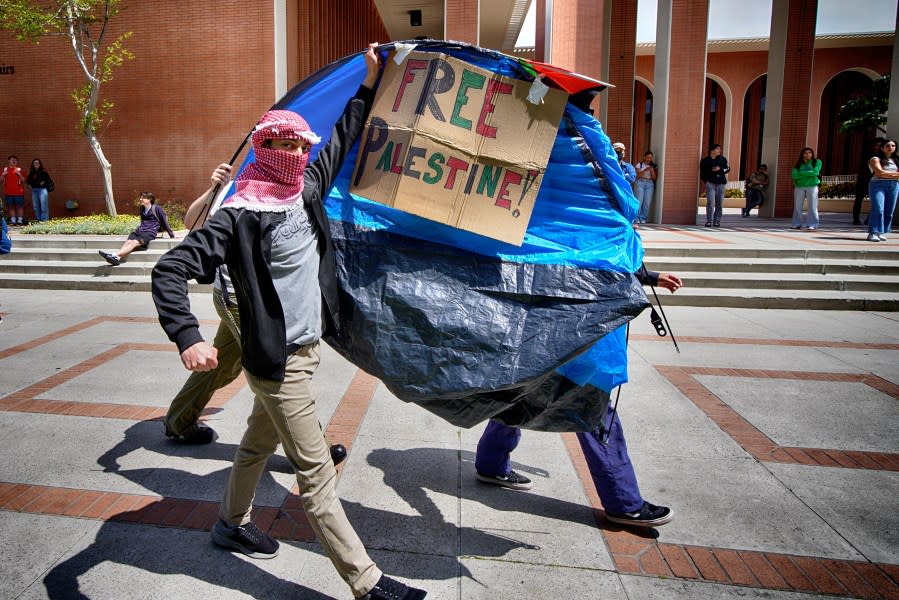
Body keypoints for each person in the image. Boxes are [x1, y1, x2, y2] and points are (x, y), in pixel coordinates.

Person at [151, 44, 426, 600]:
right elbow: (170, 268)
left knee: (255, 445)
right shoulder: (238, 216)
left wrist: (370, 81)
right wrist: (189, 337)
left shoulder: (305, 191)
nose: (289, 150)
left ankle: (230, 524)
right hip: (279, 365)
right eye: (275, 141)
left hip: (303, 349)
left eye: (297, 142)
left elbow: (346, 132)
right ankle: (367, 583)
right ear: (259, 146)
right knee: (316, 476)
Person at [163, 163, 348, 465]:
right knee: (277, 367)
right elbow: (191, 223)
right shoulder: (239, 188)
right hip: (238, 298)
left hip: (263, 299)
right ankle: (311, 448)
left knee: (223, 365)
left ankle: (179, 421)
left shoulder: (288, 190)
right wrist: (213, 189)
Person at [475, 268, 683, 528]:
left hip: (539, 320)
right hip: (578, 324)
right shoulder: (596, 227)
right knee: (591, 407)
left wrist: (647, 276)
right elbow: (600, 255)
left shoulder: (538, 226)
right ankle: (624, 504)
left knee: (523, 395)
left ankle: (491, 463)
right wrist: (645, 275)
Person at [99, 191, 176, 266]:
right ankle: (117, 258)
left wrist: (171, 235)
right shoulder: (142, 208)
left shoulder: (157, 208)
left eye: (143, 198)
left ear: (149, 199)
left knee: (134, 242)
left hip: (149, 233)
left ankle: (114, 255)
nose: (140, 199)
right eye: (141, 197)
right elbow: (142, 221)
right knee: (128, 242)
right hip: (139, 231)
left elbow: (164, 221)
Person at [866, 138, 899, 242]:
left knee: (889, 211)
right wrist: (895, 175)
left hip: (894, 185)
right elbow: (880, 173)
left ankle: (881, 232)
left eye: (893, 146)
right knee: (878, 209)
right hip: (878, 185)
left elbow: (883, 173)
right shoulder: (875, 159)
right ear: (882, 148)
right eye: (888, 146)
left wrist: (887, 174)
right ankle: (873, 232)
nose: (890, 148)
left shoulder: (896, 160)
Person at [854, 137, 885, 225]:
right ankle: (856, 219)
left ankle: (869, 219)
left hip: (876, 180)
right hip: (863, 179)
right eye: (876, 145)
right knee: (859, 199)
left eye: (880, 145)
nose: (878, 147)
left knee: (875, 200)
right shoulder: (868, 155)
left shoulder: (883, 156)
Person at [790, 147, 822, 231]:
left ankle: (813, 224)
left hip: (812, 186)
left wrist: (801, 173)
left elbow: (815, 172)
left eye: (809, 152)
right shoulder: (798, 164)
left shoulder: (817, 162)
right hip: (799, 187)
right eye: (805, 153)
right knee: (797, 206)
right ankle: (796, 224)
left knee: (812, 206)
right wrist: (809, 173)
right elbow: (794, 175)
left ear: (812, 154)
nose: (807, 154)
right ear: (802, 155)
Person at [699, 144, 729, 227]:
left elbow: (728, 169)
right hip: (710, 183)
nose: (719, 150)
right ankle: (709, 221)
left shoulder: (722, 159)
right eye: (717, 149)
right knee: (710, 202)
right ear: (712, 151)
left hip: (721, 183)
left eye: (720, 149)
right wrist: (706, 181)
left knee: (719, 203)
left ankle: (717, 221)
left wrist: (720, 169)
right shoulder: (705, 161)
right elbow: (702, 173)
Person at [1, 156, 26, 226]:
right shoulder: (5, 170)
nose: (14, 161)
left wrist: (19, 174)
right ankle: (13, 221)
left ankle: (20, 221)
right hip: (8, 192)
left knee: (20, 206)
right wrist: (3, 175)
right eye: (12, 160)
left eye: (15, 160)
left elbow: (24, 181)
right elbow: (1, 180)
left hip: (19, 192)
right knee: (10, 206)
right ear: (9, 161)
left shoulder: (20, 170)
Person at [634, 151, 657, 224]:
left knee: (647, 202)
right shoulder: (639, 165)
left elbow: (654, 178)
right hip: (640, 182)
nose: (649, 159)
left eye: (650, 158)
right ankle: (637, 217)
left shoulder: (653, 166)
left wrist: (652, 171)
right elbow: (637, 176)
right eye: (647, 157)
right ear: (644, 157)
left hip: (649, 184)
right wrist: (644, 170)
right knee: (639, 201)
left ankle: (643, 218)